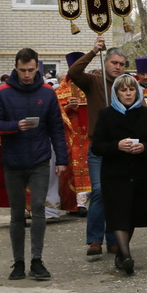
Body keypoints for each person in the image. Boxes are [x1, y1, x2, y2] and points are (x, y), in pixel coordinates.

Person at [0, 48, 68, 281]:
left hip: (40, 160)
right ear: (16, 67)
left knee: (39, 209)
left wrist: (61, 159)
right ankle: (18, 263)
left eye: (31, 70)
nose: (26, 75)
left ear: (37, 68)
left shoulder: (47, 92)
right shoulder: (2, 92)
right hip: (13, 161)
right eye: (22, 70)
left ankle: (37, 260)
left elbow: (57, 129)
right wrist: (15, 126)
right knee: (16, 213)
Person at [91, 74, 147, 275]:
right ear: (116, 93)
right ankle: (127, 256)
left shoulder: (145, 114)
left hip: (138, 172)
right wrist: (117, 146)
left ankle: (121, 253)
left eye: (131, 90)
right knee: (118, 214)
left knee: (133, 216)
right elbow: (97, 147)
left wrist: (143, 147)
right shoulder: (106, 114)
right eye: (123, 90)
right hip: (114, 173)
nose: (128, 94)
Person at [68, 37, 127, 257]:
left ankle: (113, 238)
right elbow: (74, 73)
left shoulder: (126, 86)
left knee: (115, 194)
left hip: (120, 149)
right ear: (106, 63)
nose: (117, 67)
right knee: (100, 191)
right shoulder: (93, 82)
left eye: (121, 64)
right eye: (114, 62)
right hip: (98, 148)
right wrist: (93, 50)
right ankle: (95, 239)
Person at [56, 59, 93, 216]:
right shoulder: (60, 92)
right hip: (70, 137)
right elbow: (55, 114)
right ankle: (74, 204)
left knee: (89, 169)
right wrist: (67, 108)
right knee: (72, 170)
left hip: (88, 136)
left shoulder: (91, 86)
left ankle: (84, 202)